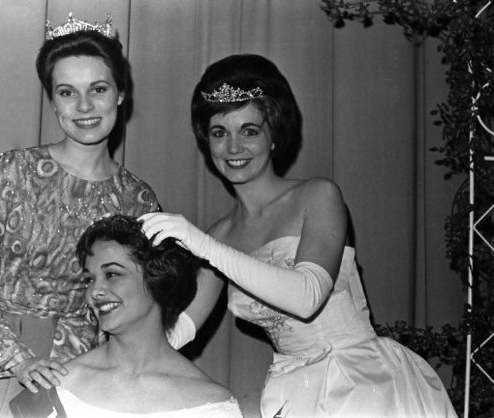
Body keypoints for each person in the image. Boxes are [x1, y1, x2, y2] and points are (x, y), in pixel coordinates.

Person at [139, 54, 457, 418]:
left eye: (250, 130)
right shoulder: (219, 234)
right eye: (219, 133)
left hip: (363, 385)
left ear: (274, 135)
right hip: (291, 392)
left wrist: (202, 244)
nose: (233, 148)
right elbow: (179, 332)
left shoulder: (318, 196)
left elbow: (307, 297)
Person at [0, 14, 162, 418]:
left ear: (121, 94)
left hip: (89, 365)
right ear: (53, 100)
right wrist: (17, 358)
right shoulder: (13, 170)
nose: (84, 106)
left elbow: (142, 304)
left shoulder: (139, 200)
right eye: (67, 92)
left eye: (98, 89)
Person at [10, 214, 243, 417]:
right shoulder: (55, 387)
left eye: (112, 274)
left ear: (157, 281)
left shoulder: (213, 404)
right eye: (90, 279)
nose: (95, 291)